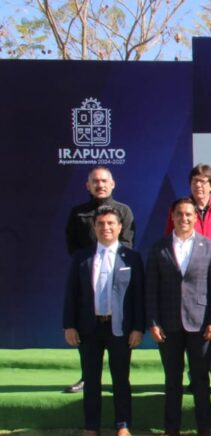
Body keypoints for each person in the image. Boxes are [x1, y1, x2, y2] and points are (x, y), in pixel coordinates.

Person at [63, 206, 144, 436]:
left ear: (120, 227)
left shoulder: (132, 257)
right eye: (101, 224)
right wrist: (69, 325)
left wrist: (138, 328)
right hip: (89, 328)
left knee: (121, 379)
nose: (106, 228)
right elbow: (71, 294)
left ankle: (123, 425)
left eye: (111, 223)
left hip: (120, 329)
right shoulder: (82, 258)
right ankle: (91, 427)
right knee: (91, 378)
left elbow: (138, 296)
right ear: (94, 227)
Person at [146, 198, 211, 436]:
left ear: (194, 217)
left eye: (189, 214)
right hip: (168, 324)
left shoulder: (208, 246)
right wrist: (153, 322)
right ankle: (171, 428)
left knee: (201, 378)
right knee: (172, 378)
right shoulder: (159, 248)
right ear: (172, 216)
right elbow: (151, 289)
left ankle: (204, 429)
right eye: (179, 214)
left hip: (200, 323)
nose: (184, 218)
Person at [63, 166, 137, 394]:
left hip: (116, 282)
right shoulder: (78, 213)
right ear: (88, 185)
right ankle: (87, 377)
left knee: (118, 345)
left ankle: (120, 385)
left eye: (104, 181)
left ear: (112, 184)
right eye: (95, 181)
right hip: (89, 278)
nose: (100, 184)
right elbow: (73, 246)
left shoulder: (124, 211)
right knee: (87, 334)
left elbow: (127, 244)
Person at [165, 164, 211, 392]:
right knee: (190, 327)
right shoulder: (180, 209)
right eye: (195, 181)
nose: (199, 185)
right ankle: (195, 375)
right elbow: (170, 239)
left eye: (204, 181)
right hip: (187, 278)